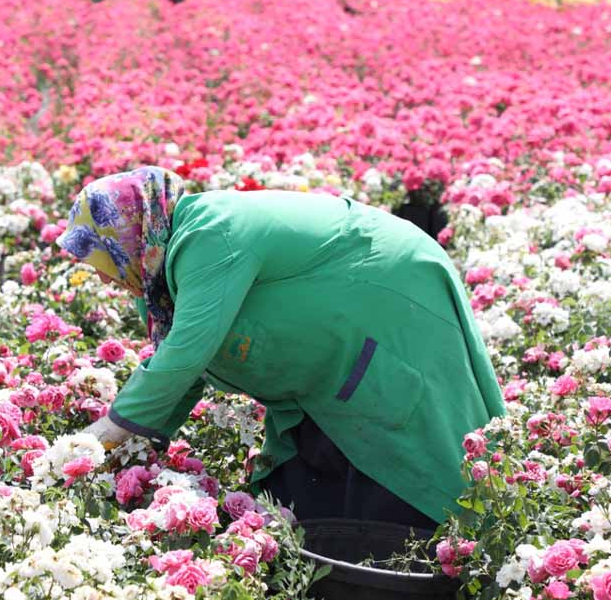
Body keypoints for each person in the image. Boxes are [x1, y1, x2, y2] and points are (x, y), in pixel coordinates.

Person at [59, 166, 504, 529]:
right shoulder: (161, 273)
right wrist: (140, 445)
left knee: (401, 438)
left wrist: (104, 437)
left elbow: (185, 354)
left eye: (102, 259)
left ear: (128, 234)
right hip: (327, 350)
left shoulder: (210, 233)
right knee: (306, 494)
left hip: (391, 293)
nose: (102, 276)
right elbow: (183, 364)